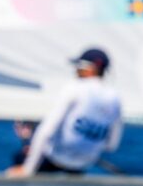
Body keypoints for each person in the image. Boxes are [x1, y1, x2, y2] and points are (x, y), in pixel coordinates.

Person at [8, 48, 122, 176]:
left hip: (55, 159)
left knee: (20, 157)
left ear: (91, 68)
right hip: (83, 164)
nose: (76, 70)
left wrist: (27, 170)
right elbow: (111, 145)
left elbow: (46, 132)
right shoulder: (115, 98)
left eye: (79, 66)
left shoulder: (74, 88)